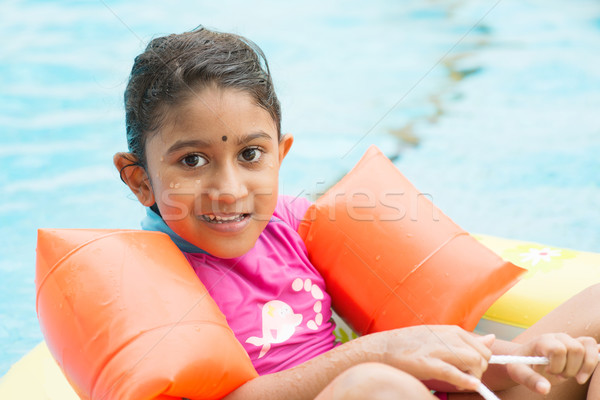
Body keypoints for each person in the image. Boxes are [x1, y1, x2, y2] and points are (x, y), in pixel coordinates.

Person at [114, 26, 600, 399]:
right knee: (372, 385)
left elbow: (428, 346)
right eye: (192, 161)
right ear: (139, 179)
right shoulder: (148, 280)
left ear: (280, 154)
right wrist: (375, 355)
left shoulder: (293, 227)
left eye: (250, 155)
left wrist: (525, 358)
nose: (229, 189)